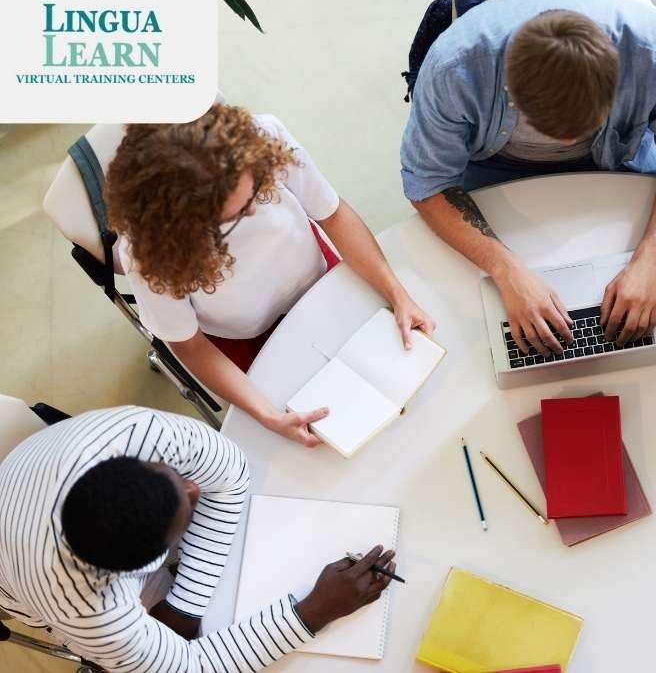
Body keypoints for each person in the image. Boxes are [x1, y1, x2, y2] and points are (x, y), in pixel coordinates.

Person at [400, 0, 656, 356]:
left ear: (617, 84)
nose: (569, 143)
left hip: (618, 158)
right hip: (494, 164)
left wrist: (652, 260)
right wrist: (507, 272)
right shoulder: (452, 70)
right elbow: (428, 183)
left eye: (583, 127)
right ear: (510, 86)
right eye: (546, 128)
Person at [107, 104, 435, 447]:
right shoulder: (148, 253)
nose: (253, 209)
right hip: (245, 337)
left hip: (317, 276)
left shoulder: (264, 135)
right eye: (232, 216)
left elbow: (333, 214)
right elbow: (190, 346)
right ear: (185, 223)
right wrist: (270, 416)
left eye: (256, 187)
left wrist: (397, 293)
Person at [0, 406, 396, 673]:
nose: (192, 489)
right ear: (146, 565)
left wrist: (183, 608)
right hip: (24, 583)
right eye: (184, 515)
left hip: (26, 489)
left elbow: (230, 475)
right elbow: (192, 668)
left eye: (168, 473)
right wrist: (313, 612)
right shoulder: (89, 611)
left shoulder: (134, 433)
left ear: (128, 462)